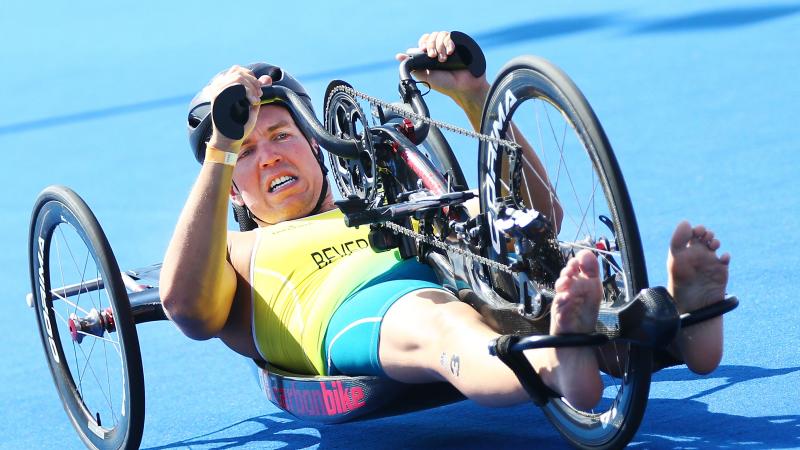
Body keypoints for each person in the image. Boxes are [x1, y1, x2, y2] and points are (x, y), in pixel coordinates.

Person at [160, 31, 731, 410]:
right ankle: (560, 363)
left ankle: (680, 325)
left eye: (283, 136)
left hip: (448, 271)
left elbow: (541, 215)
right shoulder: (236, 251)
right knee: (439, 324)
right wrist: (220, 146)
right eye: (249, 151)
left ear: (315, 145)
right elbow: (185, 306)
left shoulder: (381, 193)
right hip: (361, 311)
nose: (272, 156)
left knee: (537, 263)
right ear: (231, 186)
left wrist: (474, 94)